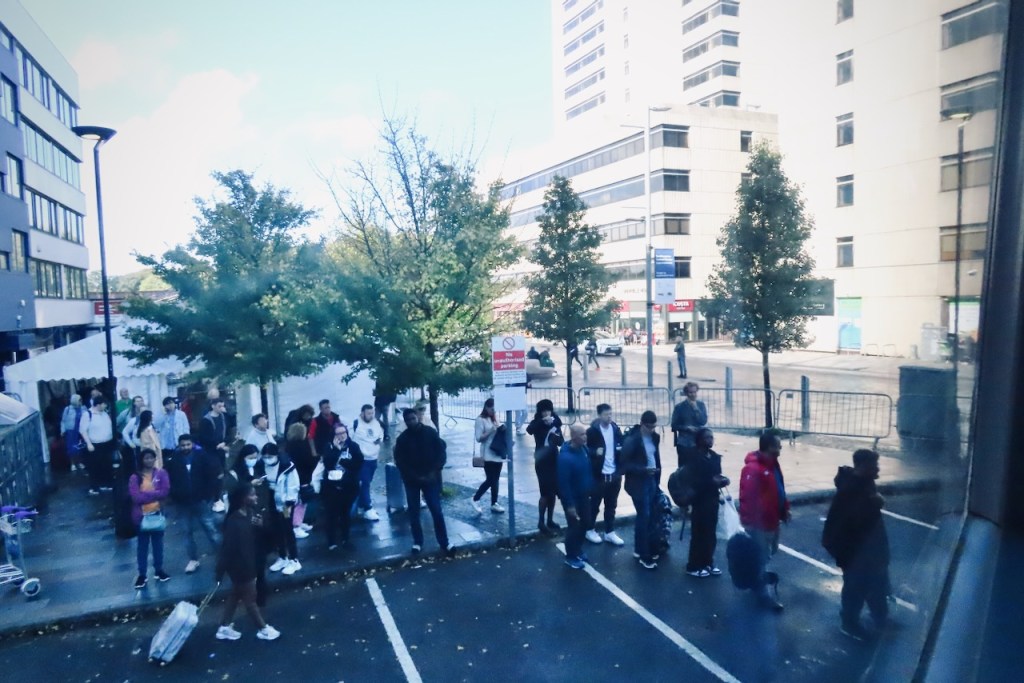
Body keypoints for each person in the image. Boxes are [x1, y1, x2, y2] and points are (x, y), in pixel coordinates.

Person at [823, 449, 891, 641]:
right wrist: (874, 504)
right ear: (862, 466)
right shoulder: (851, 491)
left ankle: (880, 617)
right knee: (856, 588)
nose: (878, 469)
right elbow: (849, 524)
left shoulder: (866, 484)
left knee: (877, 584)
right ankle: (849, 623)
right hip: (856, 554)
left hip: (870, 551)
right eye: (874, 465)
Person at [215, 481, 281, 642]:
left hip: (250, 563)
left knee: (236, 594)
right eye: (252, 494)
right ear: (243, 499)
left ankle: (224, 626)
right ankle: (263, 628)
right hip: (242, 567)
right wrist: (220, 571)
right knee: (250, 600)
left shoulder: (250, 514)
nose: (256, 497)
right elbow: (228, 549)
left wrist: (261, 526)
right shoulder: (234, 522)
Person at [739, 432, 789, 611]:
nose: (780, 448)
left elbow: (779, 489)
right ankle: (764, 595)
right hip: (759, 525)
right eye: (778, 445)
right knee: (762, 558)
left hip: (772, 522)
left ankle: (756, 584)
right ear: (769, 447)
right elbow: (748, 499)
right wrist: (752, 523)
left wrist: (784, 511)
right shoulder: (753, 470)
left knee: (767, 554)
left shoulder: (773, 465)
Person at [393, 408, 454, 556]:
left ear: (417, 418)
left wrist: (435, 471)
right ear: (405, 421)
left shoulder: (430, 433)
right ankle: (417, 542)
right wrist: (413, 476)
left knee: (436, 510)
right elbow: (400, 461)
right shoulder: (402, 439)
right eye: (408, 420)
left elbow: (441, 452)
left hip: (430, 477)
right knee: (414, 513)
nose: (411, 422)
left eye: (413, 418)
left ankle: (444, 541)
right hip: (412, 480)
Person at [165, 434, 223, 574]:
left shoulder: (202, 457)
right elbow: (169, 480)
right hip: (183, 502)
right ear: (179, 445)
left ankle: (222, 557)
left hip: (201, 500)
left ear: (192, 444)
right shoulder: (173, 460)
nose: (185, 447)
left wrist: (209, 495)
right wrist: (175, 495)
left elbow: (211, 476)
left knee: (211, 530)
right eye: (183, 445)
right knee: (187, 532)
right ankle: (192, 559)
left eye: (188, 444)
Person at [620, 410, 663, 569]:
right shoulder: (632, 440)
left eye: (654, 427)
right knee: (645, 516)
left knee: (648, 516)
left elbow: (656, 458)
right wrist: (643, 469)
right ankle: (645, 555)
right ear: (642, 424)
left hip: (651, 480)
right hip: (638, 482)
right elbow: (624, 465)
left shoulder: (654, 438)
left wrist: (656, 478)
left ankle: (642, 549)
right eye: (649, 427)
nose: (652, 430)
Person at [311, 424, 364, 550]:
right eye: (338, 433)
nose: (341, 436)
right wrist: (336, 450)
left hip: (348, 485)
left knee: (345, 513)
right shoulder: (329, 447)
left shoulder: (353, 446)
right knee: (331, 514)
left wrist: (342, 461)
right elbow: (328, 464)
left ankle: (345, 538)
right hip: (331, 487)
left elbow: (357, 464)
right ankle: (331, 541)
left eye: (343, 432)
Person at [685, 428, 729, 578]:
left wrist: (722, 481)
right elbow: (693, 480)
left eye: (712, 437)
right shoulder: (693, 457)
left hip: (712, 499)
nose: (711, 440)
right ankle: (693, 564)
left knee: (711, 533)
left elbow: (717, 475)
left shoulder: (715, 457)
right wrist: (711, 482)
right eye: (707, 438)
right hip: (699, 499)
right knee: (699, 533)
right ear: (700, 440)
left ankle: (708, 561)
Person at [128, 448, 171, 590]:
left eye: (151, 458)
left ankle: (159, 569)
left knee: (158, 545)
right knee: (142, 547)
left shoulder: (161, 474)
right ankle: (142, 574)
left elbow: (165, 491)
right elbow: (136, 497)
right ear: (141, 460)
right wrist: (155, 495)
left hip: (157, 514)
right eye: (146, 458)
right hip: (141, 518)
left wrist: (146, 495)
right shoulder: (135, 477)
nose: (149, 461)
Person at [584, 404, 624, 546]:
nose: (609, 417)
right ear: (600, 415)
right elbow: (585, 449)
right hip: (599, 475)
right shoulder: (592, 431)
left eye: (610, 414)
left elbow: (621, 443)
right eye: (607, 414)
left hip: (614, 474)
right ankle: (589, 529)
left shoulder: (615, 429)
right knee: (594, 504)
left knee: (611, 505)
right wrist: (595, 452)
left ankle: (609, 532)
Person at [258, 444, 301, 575]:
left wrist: (289, 502)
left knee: (287, 529)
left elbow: (293, 485)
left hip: (285, 503)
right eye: (265, 457)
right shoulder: (262, 466)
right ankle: (283, 556)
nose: (267, 459)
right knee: (276, 529)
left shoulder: (287, 466)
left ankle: (294, 559)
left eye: (270, 456)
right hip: (271, 501)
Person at [557, 425, 593, 569]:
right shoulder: (565, 458)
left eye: (585, 434)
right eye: (582, 435)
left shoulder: (584, 450)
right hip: (573, 499)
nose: (585, 437)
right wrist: (569, 505)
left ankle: (578, 549)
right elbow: (563, 483)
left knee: (585, 523)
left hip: (584, 496)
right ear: (574, 437)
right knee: (574, 526)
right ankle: (570, 556)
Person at [526, 399, 563, 536]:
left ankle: (550, 520)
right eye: (544, 411)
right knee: (545, 493)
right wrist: (543, 422)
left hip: (554, 459)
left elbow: (561, 441)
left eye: (549, 410)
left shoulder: (555, 422)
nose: (547, 413)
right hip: (542, 461)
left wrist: (555, 431)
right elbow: (530, 429)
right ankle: (541, 522)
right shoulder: (538, 423)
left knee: (552, 492)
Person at [471, 398, 507, 514]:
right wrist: (491, 430)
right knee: (491, 479)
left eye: (495, 409)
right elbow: (479, 438)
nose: (494, 411)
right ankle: (475, 498)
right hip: (487, 454)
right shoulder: (480, 420)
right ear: (486, 407)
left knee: (495, 480)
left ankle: (494, 503)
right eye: (492, 409)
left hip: (497, 452)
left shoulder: (495, 418)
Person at [351, 403, 385, 521]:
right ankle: (367, 508)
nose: (371, 415)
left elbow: (380, 434)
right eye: (368, 413)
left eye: (372, 413)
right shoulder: (357, 423)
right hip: (362, 459)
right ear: (362, 413)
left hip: (373, 458)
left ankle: (361, 505)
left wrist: (378, 441)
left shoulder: (376, 423)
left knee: (367, 481)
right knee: (365, 482)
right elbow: (354, 437)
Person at [283, 422, 317, 538]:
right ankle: (296, 526)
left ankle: (297, 523)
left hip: (297, 477)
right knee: (300, 503)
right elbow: (308, 461)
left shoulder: (288, 445)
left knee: (299, 502)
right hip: (302, 477)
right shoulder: (302, 446)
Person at [198, 398, 231, 512]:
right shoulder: (206, 420)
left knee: (222, 473)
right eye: (219, 406)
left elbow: (228, 431)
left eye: (222, 406)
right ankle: (214, 498)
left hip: (221, 449)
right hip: (210, 451)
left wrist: (224, 443)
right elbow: (203, 438)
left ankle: (218, 497)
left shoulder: (223, 417)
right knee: (216, 474)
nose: (221, 408)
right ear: (213, 406)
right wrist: (216, 444)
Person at [81, 396, 116, 495]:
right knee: (95, 466)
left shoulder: (104, 413)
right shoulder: (87, 414)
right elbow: (83, 430)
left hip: (107, 443)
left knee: (106, 464)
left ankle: (105, 484)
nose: (105, 406)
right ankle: (94, 487)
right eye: (104, 404)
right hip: (95, 445)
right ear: (99, 404)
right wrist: (89, 443)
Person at [671, 382, 708, 468]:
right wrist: (686, 428)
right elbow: (674, 425)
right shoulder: (679, 407)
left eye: (695, 392)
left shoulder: (701, 405)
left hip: (698, 442)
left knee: (697, 467)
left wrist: (696, 409)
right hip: (684, 443)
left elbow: (703, 421)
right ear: (686, 393)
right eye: (691, 392)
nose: (693, 395)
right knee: (684, 467)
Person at [60, 394, 86, 472]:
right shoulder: (67, 409)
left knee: (81, 446)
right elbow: (63, 421)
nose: (80, 402)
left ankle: (80, 462)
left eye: (81, 400)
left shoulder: (83, 408)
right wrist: (62, 430)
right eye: (79, 400)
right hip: (71, 431)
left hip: (80, 430)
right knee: (71, 448)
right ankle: (72, 463)